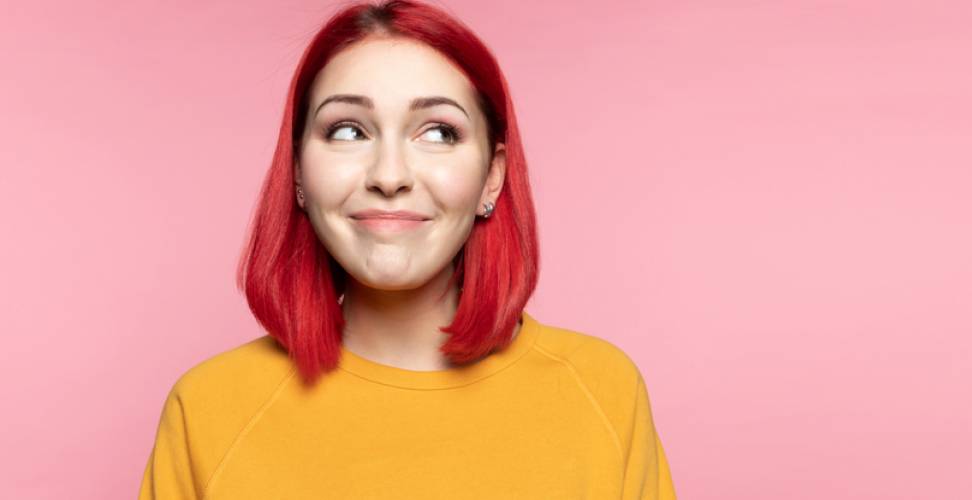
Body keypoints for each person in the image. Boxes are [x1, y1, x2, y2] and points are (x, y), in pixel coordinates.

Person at [137, 1, 676, 498]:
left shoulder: (601, 394)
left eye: (438, 132)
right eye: (348, 130)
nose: (389, 176)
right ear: (298, 171)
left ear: (492, 178)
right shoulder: (209, 411)